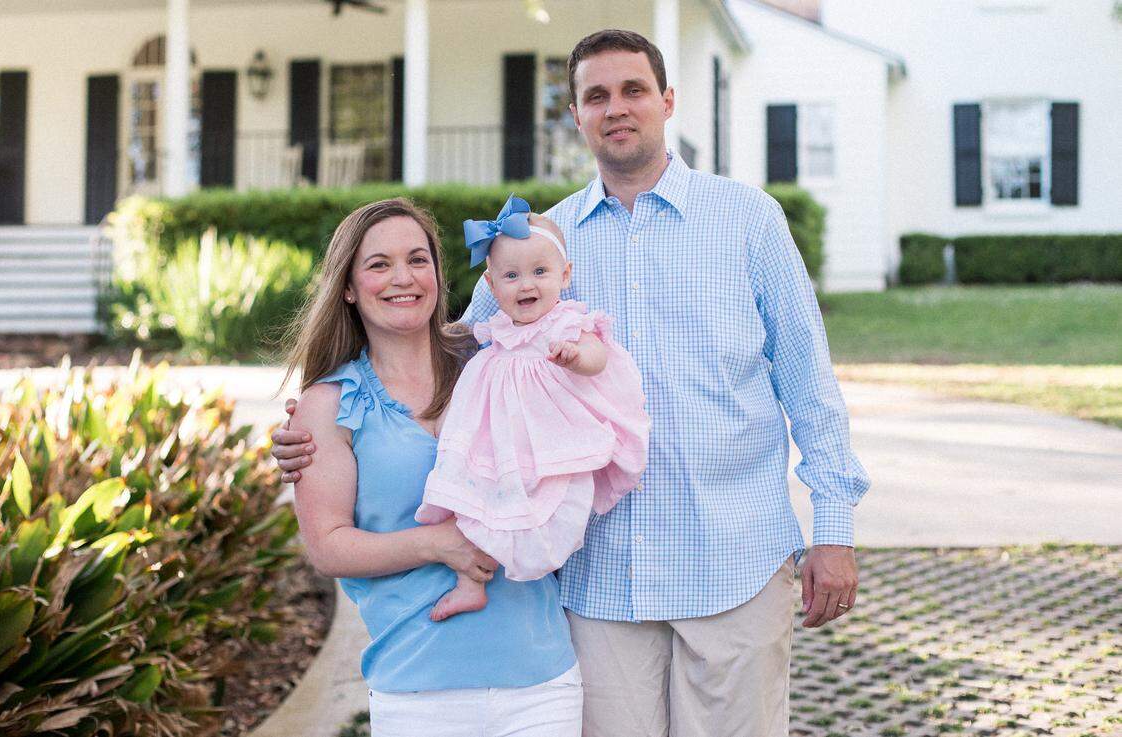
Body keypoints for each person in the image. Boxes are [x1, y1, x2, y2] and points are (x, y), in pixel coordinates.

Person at [275, 29, 870, 737]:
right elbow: (457, 354)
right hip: (598, 579)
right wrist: (317, 423)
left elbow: (811, 385)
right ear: (578, 115)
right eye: (596, 96)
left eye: (632, 90)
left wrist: (833, 530)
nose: (615, 108)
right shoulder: (537, 242)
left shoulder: (747, 220)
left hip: (732, 562)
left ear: (667, 101)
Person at [283, 198, 581, 736]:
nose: (404, 278)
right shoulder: (329, 405)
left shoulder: (495, 359)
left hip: (542, 679)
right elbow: (327, 545)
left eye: (419, 260)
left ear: (440, 276)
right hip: (418, 688)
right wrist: (436, 544)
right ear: (348, 286)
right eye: (379, 264)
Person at [416, 194, 649, 622]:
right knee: (478, 502)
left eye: (540, 272)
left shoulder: (567, 322)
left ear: (565, 276)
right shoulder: (495, 332)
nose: (526, 285)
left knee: (558, 502)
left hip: (552, 439)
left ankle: (549, 562)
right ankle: (471, 583)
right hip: (503, 442)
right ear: (491, 286)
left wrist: (576, 356)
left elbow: (598, 355)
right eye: (511, 275)